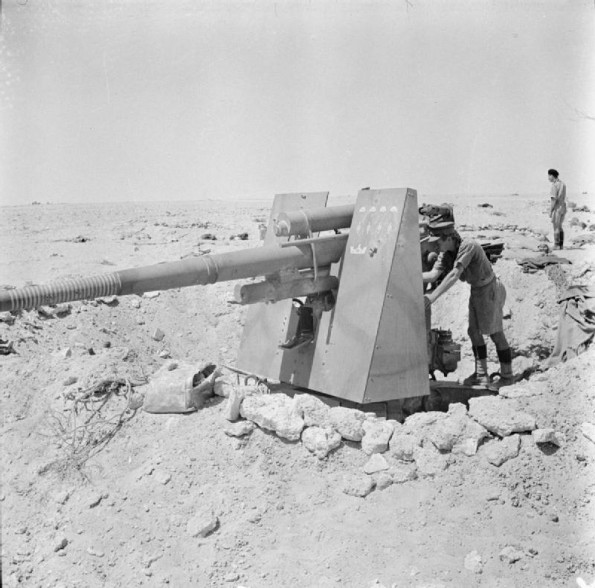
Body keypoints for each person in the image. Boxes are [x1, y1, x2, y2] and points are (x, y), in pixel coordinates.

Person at [423, 221, 514, 389]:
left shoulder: (468, 246)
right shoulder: (446, 252)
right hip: (477, 290)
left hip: (490, 289)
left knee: (495, 334)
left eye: (439, 241)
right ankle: (481, 375)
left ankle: (507, 376)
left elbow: (454, 275)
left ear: (449, 238)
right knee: (473, 332)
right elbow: (433, 275)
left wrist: (431, 298)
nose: (436, 245)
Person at [548, 169, 567, 250]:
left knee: (556, 227)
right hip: (563, 206)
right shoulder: (563, 184)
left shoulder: (554, 185)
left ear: (552, 175)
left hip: (557, 207)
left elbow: (553, 199)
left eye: (549, 176)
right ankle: (561, 245)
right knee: (560, 226)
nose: (548, 178)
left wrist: (551, 210)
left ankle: (556, 245)